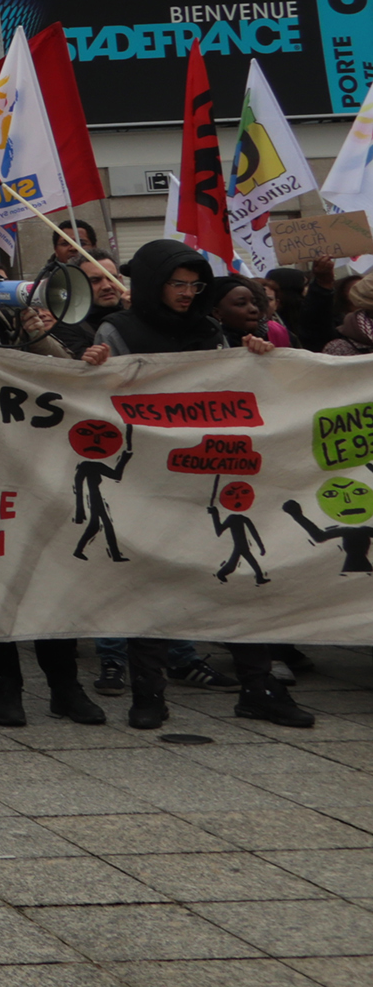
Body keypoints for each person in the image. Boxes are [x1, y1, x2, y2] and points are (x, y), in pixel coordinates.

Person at [93, 240, 313, 731]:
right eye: (178, 284)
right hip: (151, 481)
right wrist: (95, 366)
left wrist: (252, 358)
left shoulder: (209, 328)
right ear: (153, 283)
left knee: (239, 579)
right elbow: (103, 396)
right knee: (151, 585)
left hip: (210, 474)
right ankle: (148, 695)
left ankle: (258, 689)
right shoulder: (119, 330)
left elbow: (225, 389)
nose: (187, 294)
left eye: (195, 286)